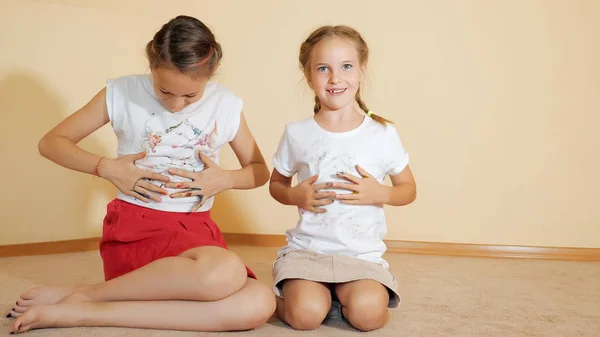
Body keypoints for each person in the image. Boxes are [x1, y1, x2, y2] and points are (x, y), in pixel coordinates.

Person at [6, 15, 275, 334]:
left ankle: (84, 309)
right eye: (164, 91)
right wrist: (105, 167)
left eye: (190, 96)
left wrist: (226, 179)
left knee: (259, 301)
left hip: (198, 237)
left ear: (210, 75)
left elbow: (259, 171)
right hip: (138, 229)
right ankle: (89, 295)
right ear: (152, 64)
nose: (176, 105)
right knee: (226, 272)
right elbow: (51, 143)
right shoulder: (122, 92)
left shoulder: (226, 104)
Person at [269, 25, 417, 332]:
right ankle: (294, 298)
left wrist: (382, 193)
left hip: (361, 256)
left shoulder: (382, 134)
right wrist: (294, 195)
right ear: (308, 76)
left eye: (346, 66)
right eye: (323, 68)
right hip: (308, 252)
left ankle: (342, 299)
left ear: (361, 71)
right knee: (305, 316)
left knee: (367, 316)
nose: (335, 78)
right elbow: (276, 185)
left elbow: (408, 189)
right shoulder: (297, 133)